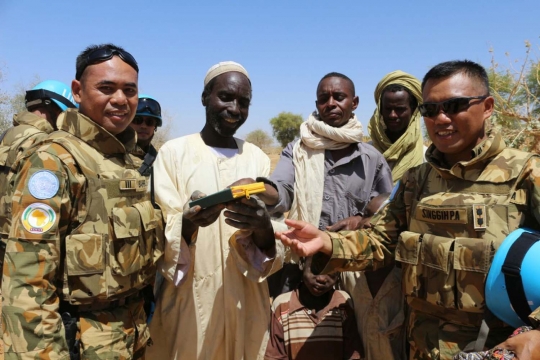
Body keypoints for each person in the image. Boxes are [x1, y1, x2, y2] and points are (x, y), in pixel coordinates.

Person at [275, 60, 540, 360]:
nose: (440, 119)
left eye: (454, 106)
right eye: (430, 110)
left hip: (496, 350)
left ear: (488, 106)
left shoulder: (526, 174)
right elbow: (380, 241)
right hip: (419, 349)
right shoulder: (416, 181)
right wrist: (326, 242)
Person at [2, 43, 161, 359]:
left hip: (129, 336)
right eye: (106, 88)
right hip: (77, 342)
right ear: (77, 91)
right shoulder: (52, 162)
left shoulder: (126, 160)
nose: (120, 99)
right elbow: (26, 285)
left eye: (129, 90)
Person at [147, 61, 284, 360]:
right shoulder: (174, 153)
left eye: (243, 102)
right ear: (205, 97)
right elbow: (158, 229)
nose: (235, 109)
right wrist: (188, 224)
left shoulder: (258, 159)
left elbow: (276, 238)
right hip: (188, 302)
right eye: (226, 97)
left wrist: (263, 228)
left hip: (246, 302)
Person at [259, 72, 393, 297]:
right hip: (299, 267)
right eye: (324, 98)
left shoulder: (372, 159)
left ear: (354, 103)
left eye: (339, 97)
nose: (331, 103)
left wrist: (359, 221)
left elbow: (386, 217)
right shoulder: (297, 151)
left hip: (354, 270)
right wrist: (262, 190)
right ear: (317, 104)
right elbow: (283, 190)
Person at [339, 193, 407, 360]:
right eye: (367, 215)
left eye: (381, 217)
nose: (369, 223)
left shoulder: (408, 281)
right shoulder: (348, 274)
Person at [265, 256, 363, 360]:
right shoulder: (282, 305)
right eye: (316, 269)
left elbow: (353, 355)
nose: (322, 278)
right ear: (302, 263)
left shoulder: (342, 303)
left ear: (339, 272)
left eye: (330, 270)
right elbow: (275, 356)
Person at [368, 70, 425, 184]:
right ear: (380, 110)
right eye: (388, 109)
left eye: (400, 109)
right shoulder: (366, 153)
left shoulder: (425, 157)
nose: (393, 115)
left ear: (413, 110)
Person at [130, 94, 162, 166]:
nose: (144, 126)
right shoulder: (110, 154)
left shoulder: (160, 162)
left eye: (150, 122)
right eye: (137, 120)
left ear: (155, 127)